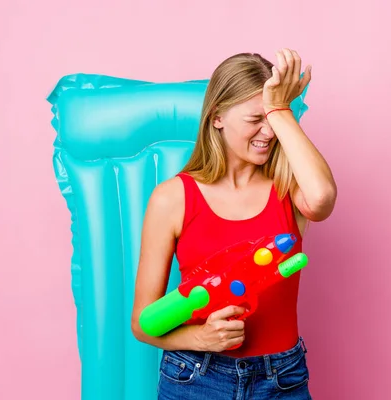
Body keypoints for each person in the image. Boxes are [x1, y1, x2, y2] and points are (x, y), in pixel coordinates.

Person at [131, 48, 337, 399]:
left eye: (272, 119)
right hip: (195, 377)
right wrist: (199, 337)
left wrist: (280, 108)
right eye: (255, 118)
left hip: (281, 379)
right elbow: (142, 324)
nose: (267, 132)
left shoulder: (289, 187)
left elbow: (321, 199)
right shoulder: (173, 198)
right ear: (217, 117)